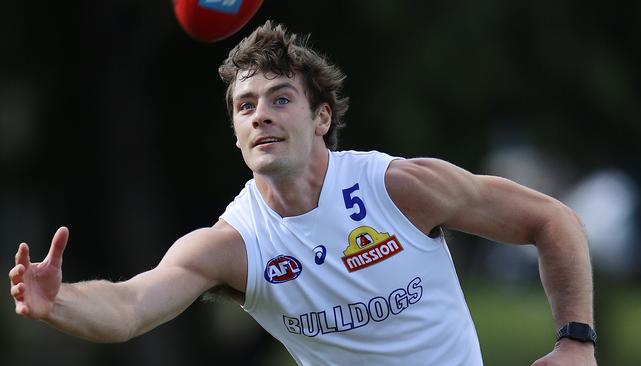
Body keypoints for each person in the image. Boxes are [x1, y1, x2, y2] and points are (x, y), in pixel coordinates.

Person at [8, 21, 597, 365]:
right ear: (236, 134)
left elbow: (552, 220)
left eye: (280, 98)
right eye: (246, 106)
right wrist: (58, 303)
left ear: (321, 119)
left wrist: (576, 342)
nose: (261, 115)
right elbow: (132, 306)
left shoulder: (399, 188)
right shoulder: (233, 245)